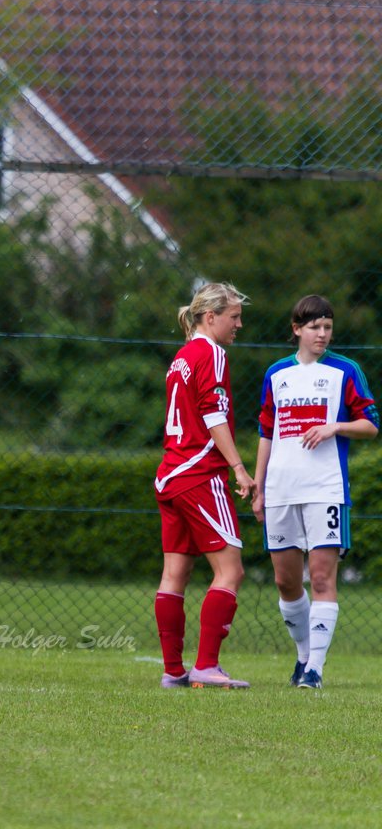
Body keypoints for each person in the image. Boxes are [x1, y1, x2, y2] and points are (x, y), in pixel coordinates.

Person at [252, 295, 378, 690]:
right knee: (286, 582)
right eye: (314, 328)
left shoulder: (345, 370)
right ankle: (304, 655)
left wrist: (335, 427)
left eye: (327, 327)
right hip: (281, 490)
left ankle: (315, 671)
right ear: (297, 329)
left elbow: (371, 426)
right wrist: (258, 487)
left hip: (326, 489)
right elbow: (266, 433)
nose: (322, 334)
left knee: (322, 577)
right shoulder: (276, 374)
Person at [153, 282, 255, 689]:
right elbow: (213, 416)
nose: (239, 324)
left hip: (170, 474)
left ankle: (173, 671)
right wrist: (239, 468)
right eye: (234, 316)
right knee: (230, 571)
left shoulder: (181, 356)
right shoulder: (212, 353)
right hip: (198, 473)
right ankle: (207, 666)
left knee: (174, 574)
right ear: (210, 317)